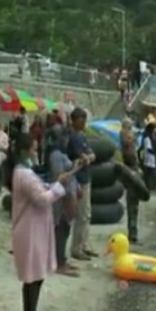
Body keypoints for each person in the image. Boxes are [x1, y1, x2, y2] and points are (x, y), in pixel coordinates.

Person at [7, 133, 71, 311]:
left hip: (35, 231)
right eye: (34, 148)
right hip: (29, 231)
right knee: (32, 278)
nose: (37, 152)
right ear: (26, 151)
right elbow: (42, 199)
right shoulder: (24, 174)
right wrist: (59, 187)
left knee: (36, 276)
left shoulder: (25, 172)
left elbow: (41, 191)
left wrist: (57, 182)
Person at [49, 127, 82, 278]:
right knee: (60, 230)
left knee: (65, 229)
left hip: (67, 195)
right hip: (61, 199)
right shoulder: (56, 155)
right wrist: (75, 168)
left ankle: (62, 259)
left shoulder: (61, 154)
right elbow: (60, 178)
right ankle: (59, 262)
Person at [66, 107, 97, 261]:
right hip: (79, 180)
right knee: (81, 215)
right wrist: (89, 158)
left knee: (87, 214)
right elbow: (85, 157)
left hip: (86, 178)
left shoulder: (82, 136)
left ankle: (84, 244)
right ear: (74, 121)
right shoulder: (75, 138)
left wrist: (89, 157)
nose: (84, 122)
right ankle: (76, 248)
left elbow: (92, 155)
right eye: (81, 119)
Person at [120, 117, 142, 242]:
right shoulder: (124, 135)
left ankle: (133, 230)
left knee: (135, 203)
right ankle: (132, 231)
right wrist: (132, 137)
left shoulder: (128, 136)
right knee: (132, 202)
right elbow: (127, 144)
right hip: (130, 170)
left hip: (134, 167)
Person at [138, 122, 156, 191]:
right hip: (150, 159)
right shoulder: (147, 138)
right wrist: (155, 153)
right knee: (151, 174)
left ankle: (148, 187)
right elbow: (148, 149)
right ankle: (150, 187)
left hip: (150, 159)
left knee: (148, 174)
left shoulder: (151, 136)